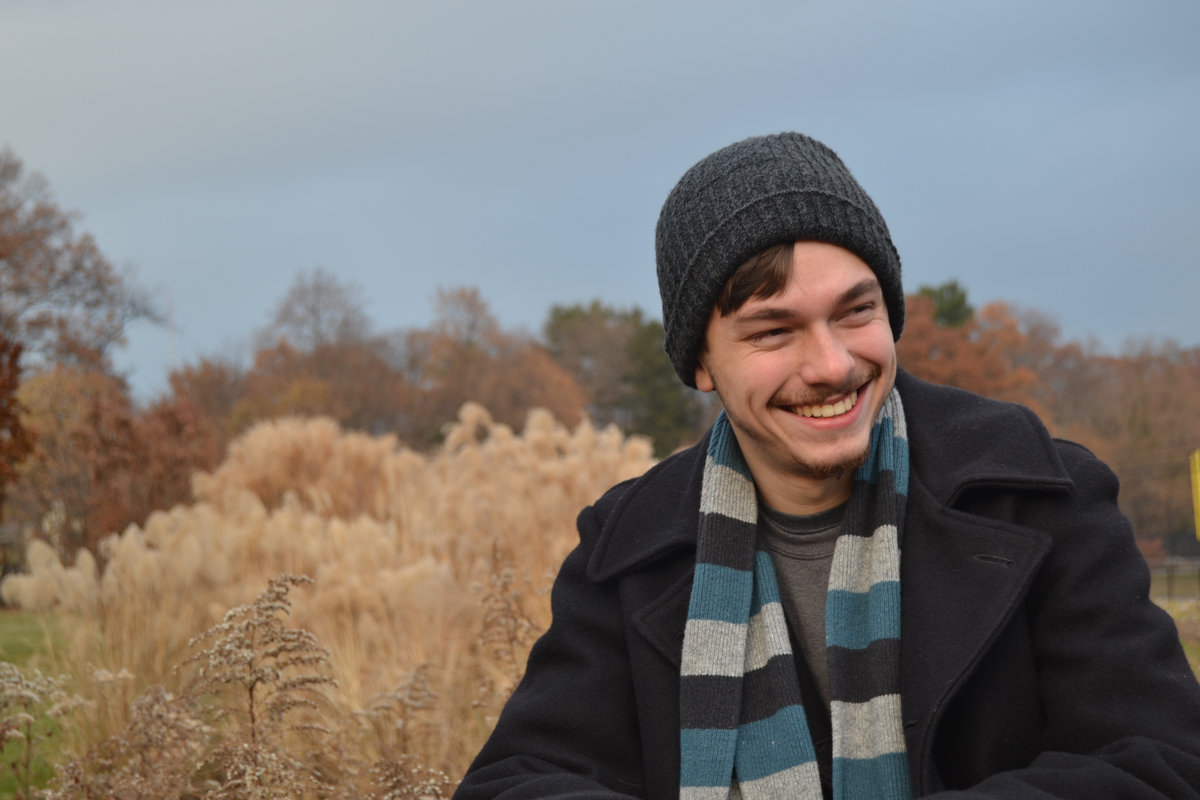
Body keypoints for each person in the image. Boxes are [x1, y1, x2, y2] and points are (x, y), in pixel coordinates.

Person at [452, 132, 1200, 799]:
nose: (833, 365)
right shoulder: (627, 552)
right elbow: (515, 781)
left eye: (855, 312)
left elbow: (1162, 761)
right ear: (701, 365)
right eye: (773, 331)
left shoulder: (1039, 495)